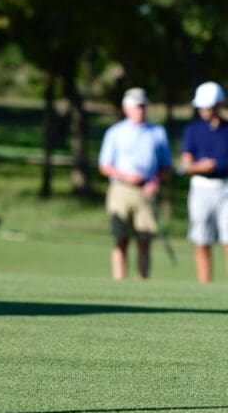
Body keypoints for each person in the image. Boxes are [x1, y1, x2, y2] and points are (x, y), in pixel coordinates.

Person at [97, 87, 172, 280]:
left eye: (143, 106)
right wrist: (124, 176)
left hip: (146, 190)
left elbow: (165, 165)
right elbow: (104, 165)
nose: (141, 110)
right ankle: (119, 282)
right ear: (126, 109)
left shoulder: (157, 132)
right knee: (120, 239)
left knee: (145, 240)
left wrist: (154, 182)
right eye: (137, 106)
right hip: (120, 189)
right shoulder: (115, 132)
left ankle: (142, 283)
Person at [180, 81, 228, 283]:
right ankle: (205, 286)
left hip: (225, 188)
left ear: (219, 104)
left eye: (207, 106)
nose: (204, 110)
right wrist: (202, 166)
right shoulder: (193, 130)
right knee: (202, 241)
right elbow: (185, 165)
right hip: (201, 188)